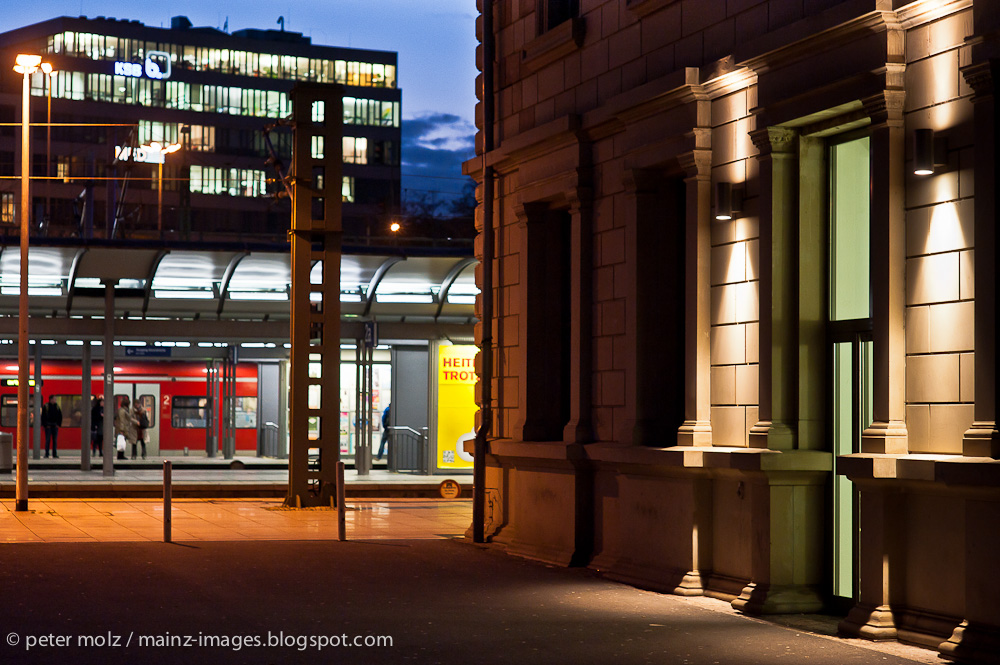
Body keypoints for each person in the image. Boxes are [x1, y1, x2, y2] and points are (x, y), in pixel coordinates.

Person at [114, 396, 138, 461]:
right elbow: (122, 421)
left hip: (123, 429)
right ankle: (120, 455)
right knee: (121, 442)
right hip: (122, 429)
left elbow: (129, 418)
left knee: (122, 442)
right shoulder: (122, 411)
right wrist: (121, 430)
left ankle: (121, 455)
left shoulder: (124, 410)